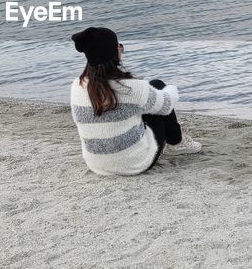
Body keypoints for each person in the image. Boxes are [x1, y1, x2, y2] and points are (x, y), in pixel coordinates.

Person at [69, 26, 201, 175]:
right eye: (119, 46)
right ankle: (176, 143)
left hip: (97, 165)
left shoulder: (77, 86)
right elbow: (167, 104)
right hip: (135, 163)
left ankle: (174, 142)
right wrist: (171, 88)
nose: (121, 48)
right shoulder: (131, 88)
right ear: (114, 52)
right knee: (157, 85)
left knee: (136, 107)